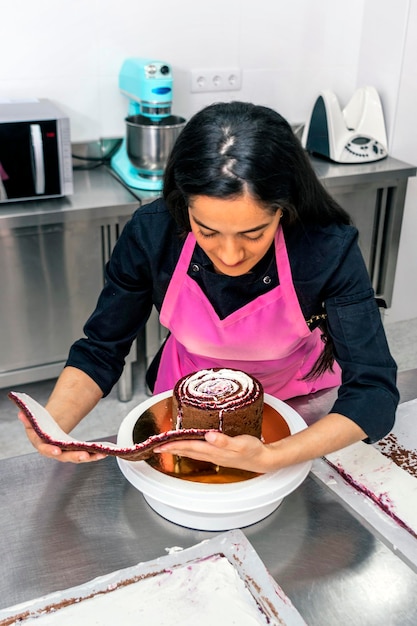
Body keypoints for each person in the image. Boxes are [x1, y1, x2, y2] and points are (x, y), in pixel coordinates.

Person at [18, 101, 399, 472]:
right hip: (183, 400)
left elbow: (373, 392)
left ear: (284, 207)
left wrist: (274, 456)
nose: (230, 256)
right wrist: (52, 425)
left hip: (294, 403)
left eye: (254, 233)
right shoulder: (153, 233)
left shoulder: (325, 248)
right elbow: (101, 349)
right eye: (208, 231)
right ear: (183, 206)